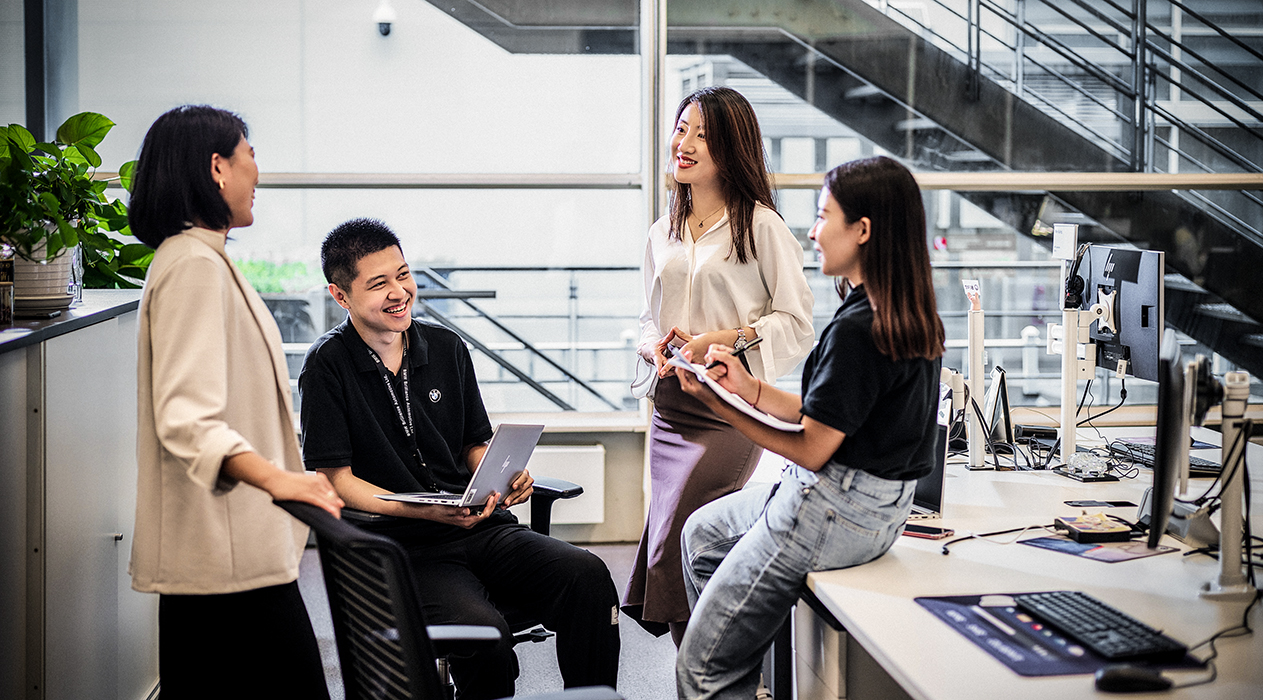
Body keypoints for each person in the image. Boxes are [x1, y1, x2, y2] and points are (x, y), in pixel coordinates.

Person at [297, 218, 621, 700]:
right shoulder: (327, 367)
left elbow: (474, 442)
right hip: (404, 546)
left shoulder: (446, 347)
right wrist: (418, 510)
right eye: (378, 283)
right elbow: (337, 480)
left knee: (588, 576)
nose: (399, 292)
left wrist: (503, 472)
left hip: (481, 527)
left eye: (403, 275)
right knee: (484, 636)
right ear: (340, 296)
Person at [673, 156, 946, 700]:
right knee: (701, 535)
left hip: (831, 508)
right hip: (881, 510)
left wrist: (718, 404)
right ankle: (748, 675)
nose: (814, 232)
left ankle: (728, 672)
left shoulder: (857, 331)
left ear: (862, 231)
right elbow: (828, 413)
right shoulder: (906, 313)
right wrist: (746, 388)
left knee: (698, 671)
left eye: (824, 217)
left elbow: (813, 448)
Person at [127, 105, 344, 699]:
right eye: (250, 155)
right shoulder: (193, 266)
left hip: (225, 557)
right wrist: (283, 480)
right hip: (223, 560)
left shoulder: (201, 258)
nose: (259, 173)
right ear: (217, 167)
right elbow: (187, 420)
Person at [625, 86, 815, 645]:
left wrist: (725, 339)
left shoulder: (760, 226)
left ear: (731, 150)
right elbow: (646, 317)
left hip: (728, 409)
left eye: (702, 135)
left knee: (685, 538)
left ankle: (715, 670)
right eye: (682, 129)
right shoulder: (663, 231)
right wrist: (652, 345)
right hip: (670, 408)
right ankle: (703, 673)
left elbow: (798, 323)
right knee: (670, 546)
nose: (683, 144)